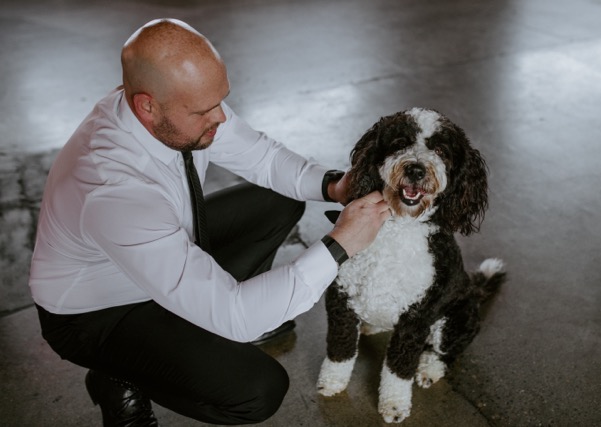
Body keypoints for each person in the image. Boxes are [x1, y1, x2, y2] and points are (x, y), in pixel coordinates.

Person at [28, 18, 390, 426]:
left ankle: (207, 325)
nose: (220, 116)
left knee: (283, 197)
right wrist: (340, 244)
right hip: (100, 312)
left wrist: (334, 186)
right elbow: (236, 314)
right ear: (147, 106)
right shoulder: (113, 188)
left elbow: (262, 158)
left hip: (166, 242)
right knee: (257, 389)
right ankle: (122, 374)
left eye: (221, 100)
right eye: (205, 110)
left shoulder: (177, 106)